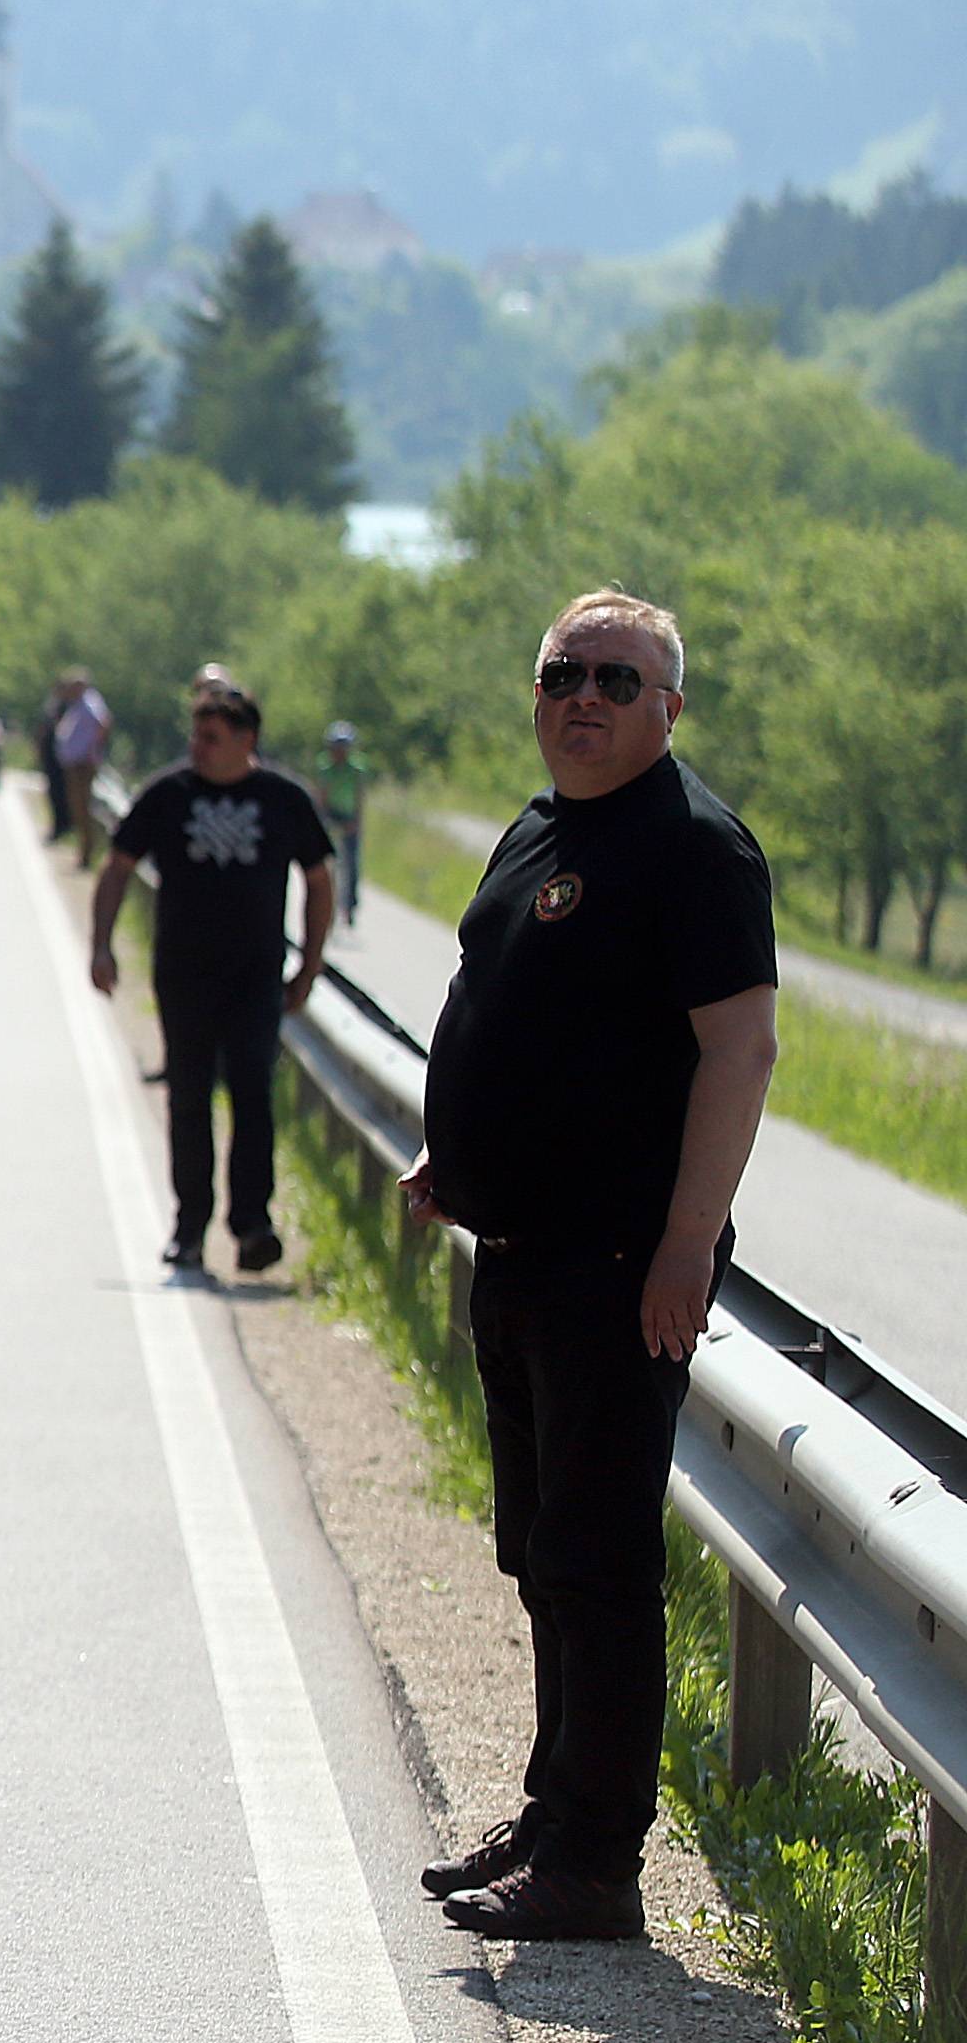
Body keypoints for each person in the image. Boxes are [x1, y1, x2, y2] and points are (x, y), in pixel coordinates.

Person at [401, 588, 778, 1943]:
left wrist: (685, 1242)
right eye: (565, 670)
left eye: (621, 678)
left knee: (601, 1558)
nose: (587, 695)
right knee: (542, 1551)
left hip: (623, 1261)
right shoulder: (544, 826)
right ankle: (554, 1810)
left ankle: (596, 1864)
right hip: (521, 1246)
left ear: (669, 707)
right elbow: (508, 1004)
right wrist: (461, 1156)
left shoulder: (695, 850)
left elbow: (740, 1052)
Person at [91, 686, 334, 1275]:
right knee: (189, 1097)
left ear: (246, 740)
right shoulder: (168, 795)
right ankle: (189, 1226)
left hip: (255, 979)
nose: (198, 748)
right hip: (184, 976)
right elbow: (118, 866)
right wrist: (100, 944)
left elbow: (320, 880)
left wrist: (310, 964)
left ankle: (252, 1224)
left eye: (212, 738)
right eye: (196, 736)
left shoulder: (283, 799)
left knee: (253, 1095)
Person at [54, 669, 111, 870]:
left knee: (83, 807)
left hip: (83, 764)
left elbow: (103, 723)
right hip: (75, 763)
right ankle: (82, 851)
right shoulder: (78, 703)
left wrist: (91, 751)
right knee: (77, 807)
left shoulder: (90, 702)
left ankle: (87, 854)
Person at [316, 720, 371, 921]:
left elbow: (360, 795)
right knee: (327, 859)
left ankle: (350, 906)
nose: (339, 752)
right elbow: (321, 794)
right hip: (331, 812)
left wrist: (356, 821)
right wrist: (322, 821)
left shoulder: (357, 767)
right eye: (336, 748)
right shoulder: (325, 765)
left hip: (350, 815)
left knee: (352, 862)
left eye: (343, 748)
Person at [36, 681, 71, 846]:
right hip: (52, 756)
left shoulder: (68, 708)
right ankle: (58, 825)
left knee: (60, 792)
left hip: (61, 758)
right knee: (53, 792)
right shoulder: (54, 706)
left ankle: (63, 826)